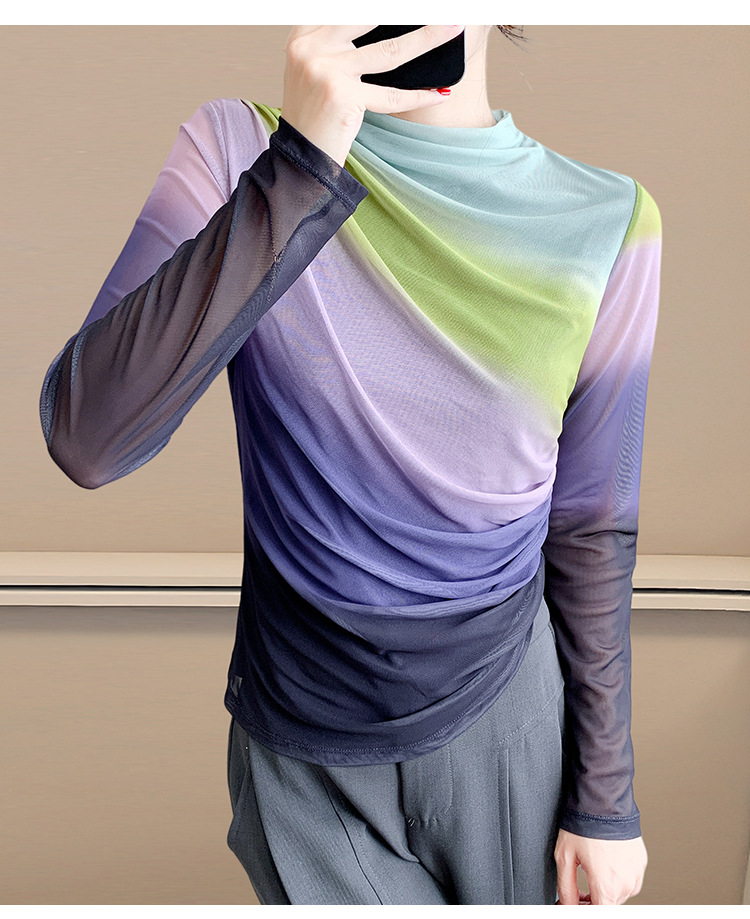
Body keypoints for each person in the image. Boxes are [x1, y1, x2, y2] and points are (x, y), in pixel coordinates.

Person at [39, 25, 659, 905]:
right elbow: (87, 434)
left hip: (509, 719)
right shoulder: (238, 149)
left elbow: (592, 527)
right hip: (302, 738)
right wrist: (299, 167)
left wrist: (606, 800)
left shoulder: (610, 220)